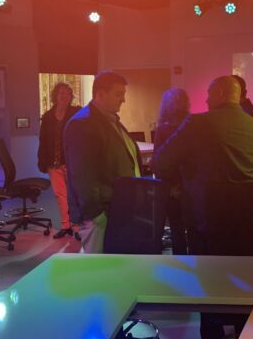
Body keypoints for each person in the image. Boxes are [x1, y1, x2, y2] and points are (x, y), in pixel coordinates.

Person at [152, 75, 253, 339]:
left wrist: (186, 172)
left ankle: (212, 332)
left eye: (208, 94)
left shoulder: (197, 123)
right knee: (242, 285)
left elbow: (159, 163)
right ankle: (243, 330)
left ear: (218, 94)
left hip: (203, 222)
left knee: (210, 289)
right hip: (247, 225)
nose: (204, 99)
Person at [64, 71, 141, 253]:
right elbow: (82, 176)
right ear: (100, 94)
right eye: (118, 94)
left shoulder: (110, 120)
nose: (123, 100)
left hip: (116, 209)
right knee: (97, 271)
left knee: (112, 268)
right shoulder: (82, 124)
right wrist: (97, 215)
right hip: (101, 215)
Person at [37, 83, 81, 239]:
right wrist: (41, 161)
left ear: (71, 97)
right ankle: (66, 225)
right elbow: (43, 140)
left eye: (67, 93)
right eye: (61, 93)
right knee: (60, 195)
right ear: (56, 95)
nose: (64, 96)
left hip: (71, 161)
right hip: (52, 162)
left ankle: (76, 226)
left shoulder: (76, 114)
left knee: (73, 195)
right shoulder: (48, 116)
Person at [153, 87, 190, 254]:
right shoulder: (193, 126)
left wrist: (170, 185)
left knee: (171, 225)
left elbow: (158, 162)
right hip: (189, 185)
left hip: (168, 186)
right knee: (186, 226)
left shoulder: (163, 129)